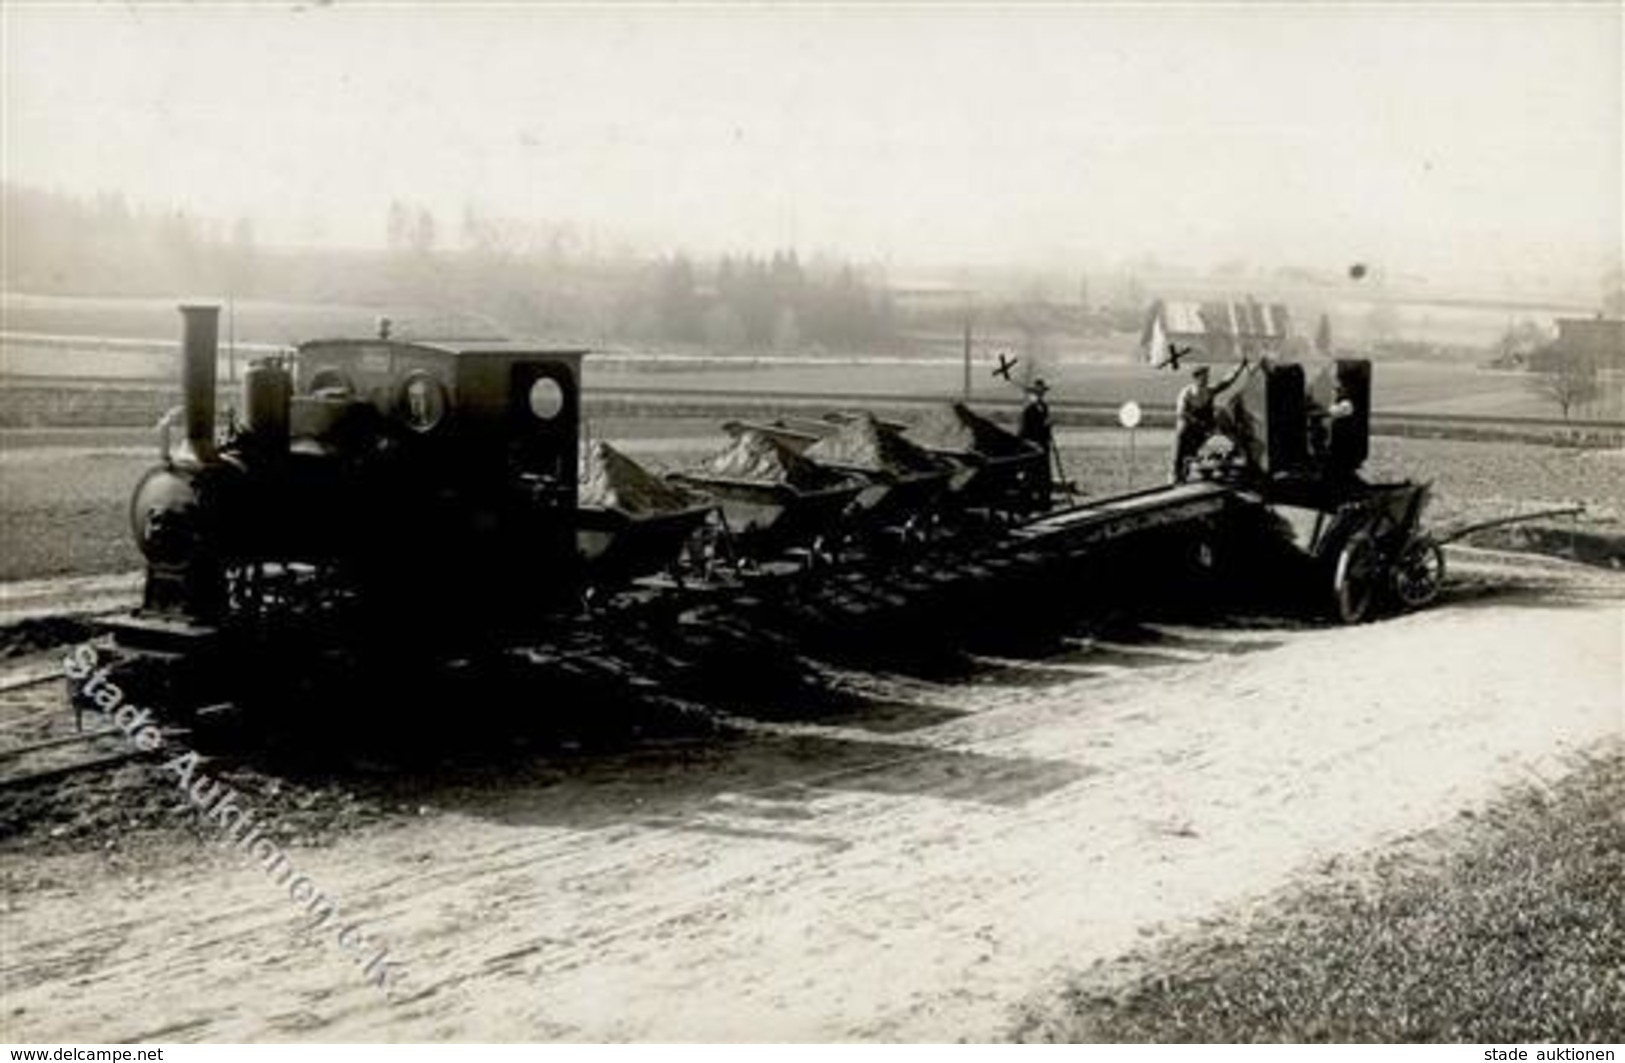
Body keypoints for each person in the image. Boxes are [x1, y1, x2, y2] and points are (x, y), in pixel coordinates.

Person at [1172, 358, 1248, 482]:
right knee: (1181, 434)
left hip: (1206, 428)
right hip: (1191, 429)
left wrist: (1239, 367)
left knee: (1225, 439)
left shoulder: (1209, 391)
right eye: (1204, 376)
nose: (1207, 378)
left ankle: (1212, 468)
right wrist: (1197, 422)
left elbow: (1227, 382)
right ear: (1196, 377)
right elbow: (1181, 413)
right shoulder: (1186, 393)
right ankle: (1176, 472)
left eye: (1207, 376)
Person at [1017, 378, 1055, 504]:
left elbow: (1045, 427)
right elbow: (1023, 432)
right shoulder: (1028, 410)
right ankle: (1027, 501)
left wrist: (1048, 428)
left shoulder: (1044, 407)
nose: (1039, 395)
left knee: (1044, 474)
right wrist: (1031, 444)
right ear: (1032, 394)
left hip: (1043, 447)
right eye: (1037, 393)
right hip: (1033, 448)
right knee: (1031, 475)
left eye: (1041, 393)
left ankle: (1044, 500)